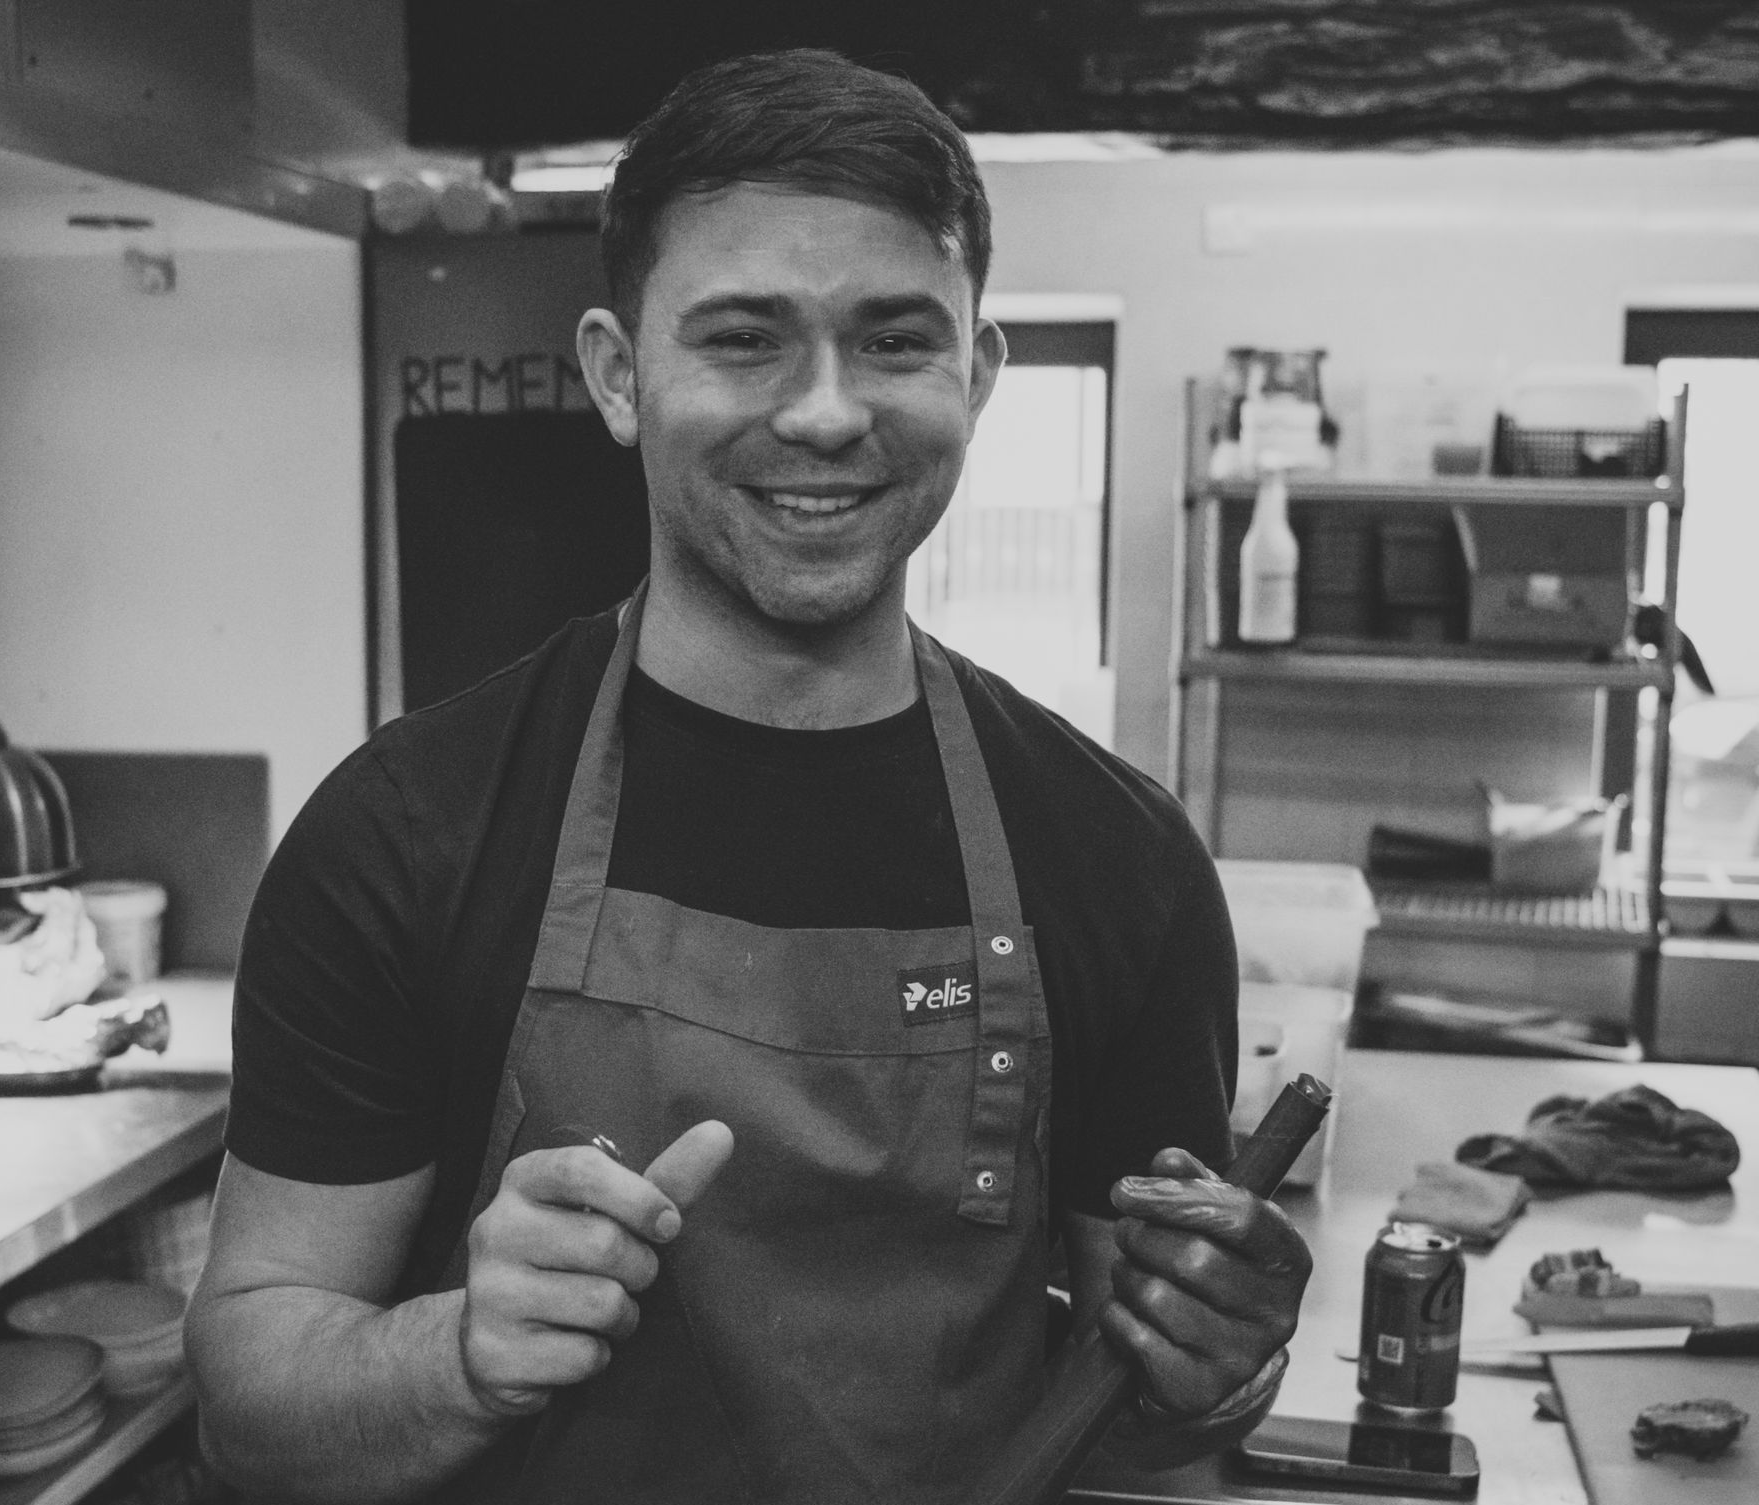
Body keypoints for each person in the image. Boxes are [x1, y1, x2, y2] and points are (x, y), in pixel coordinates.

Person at [186, 47, 1310, 1505]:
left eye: (897, 340)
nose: (828, 412)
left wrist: (1223, 1366)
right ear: (616, 373)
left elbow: (1139, 1418)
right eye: (743, 339)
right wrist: (460, 1353)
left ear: (977, 375)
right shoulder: (408, 834)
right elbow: (248, 1405)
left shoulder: (1117, 859)